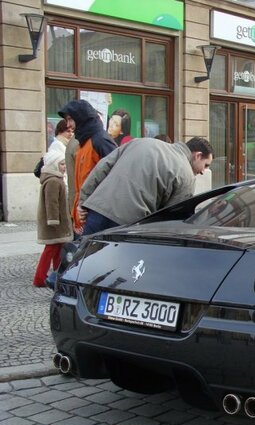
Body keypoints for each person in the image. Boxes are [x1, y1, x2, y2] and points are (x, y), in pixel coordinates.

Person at [77, 137, 214, 235]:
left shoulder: (142, 142)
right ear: (198, 155)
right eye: (206, 165)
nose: (203, 171)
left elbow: (102, 167)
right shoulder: (186, 175)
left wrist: (83, 202)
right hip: (127, 225)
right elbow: (171, 219)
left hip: (98, 209)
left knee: (83, 266)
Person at [58, 99, 117, 236]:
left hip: (97, 215)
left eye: (70, 119)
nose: (68, 125)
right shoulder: (84, 143)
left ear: (81, 117)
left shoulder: (100, 140)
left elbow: (116, 176)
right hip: (87, 214)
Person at [33, 150, 73, 287]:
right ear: (54, 165)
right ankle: (40, 278)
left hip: (57, 224)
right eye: (61, 164)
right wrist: (54, 221)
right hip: (55, 224)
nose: (64, 167)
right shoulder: (53, 181)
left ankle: (57, 274)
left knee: (57, 251)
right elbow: (52, 203)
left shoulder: (55, 179)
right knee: (50, 251)